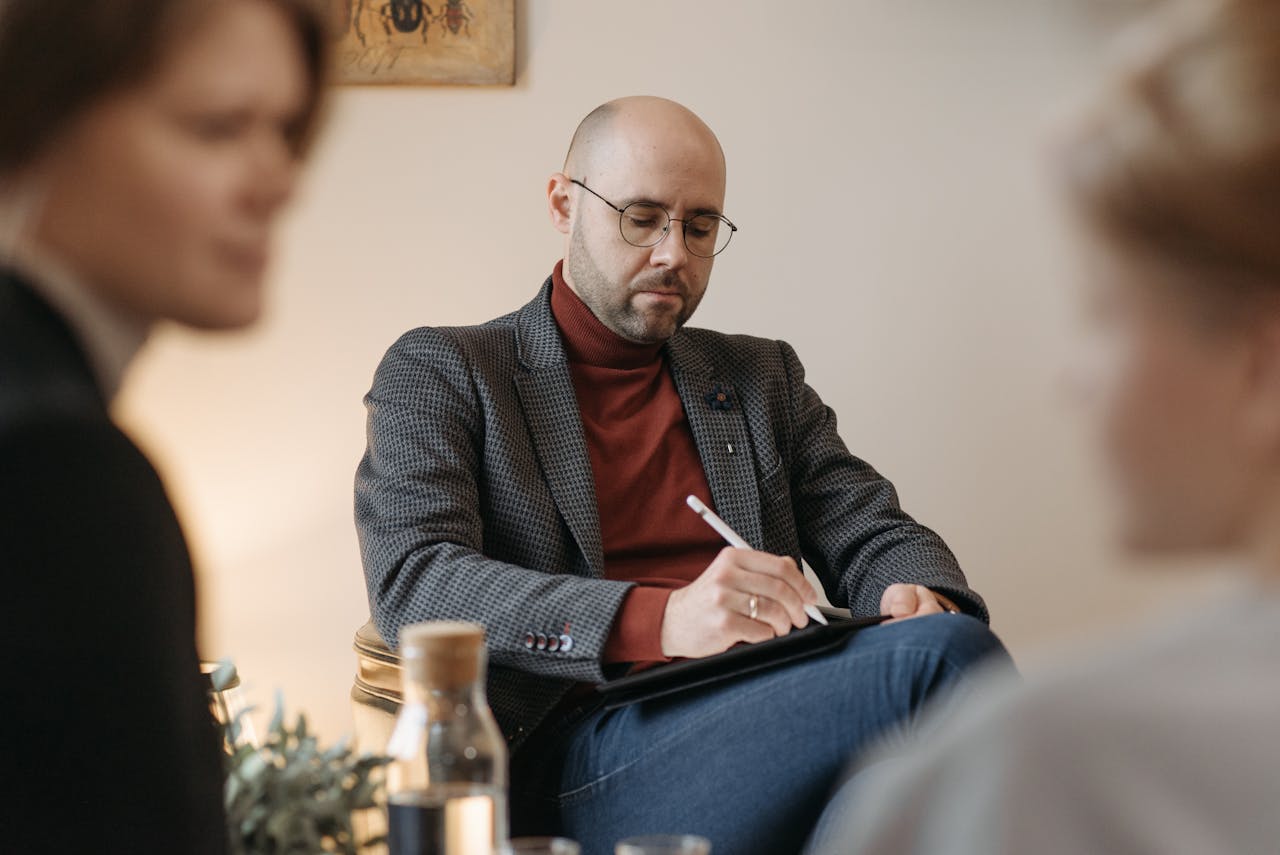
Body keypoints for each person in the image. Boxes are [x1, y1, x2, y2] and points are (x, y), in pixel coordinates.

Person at [355, 95, 1011, 853]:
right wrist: (664, 619)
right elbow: (417, 581)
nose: (674, 253)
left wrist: (912, 588)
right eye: (642, 217)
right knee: (945, 665)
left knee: (898, 776)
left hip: (771, 703)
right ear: (564, 204)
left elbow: (868, 525)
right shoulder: (445, 369)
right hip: (581, 747)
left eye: (700, 227)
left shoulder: (759, 375)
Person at [808, 1, 1280, 852]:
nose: (1073, 376)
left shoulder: (1029, 771)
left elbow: (865, 516)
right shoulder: (485, 367)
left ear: (1260, 361)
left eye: (1104, 312)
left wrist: (918, 592)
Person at [0, 1, 327, 851]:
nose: (279, 179)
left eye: (286, 129)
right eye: (218, 128)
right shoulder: (60, 473)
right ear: (37, 117)